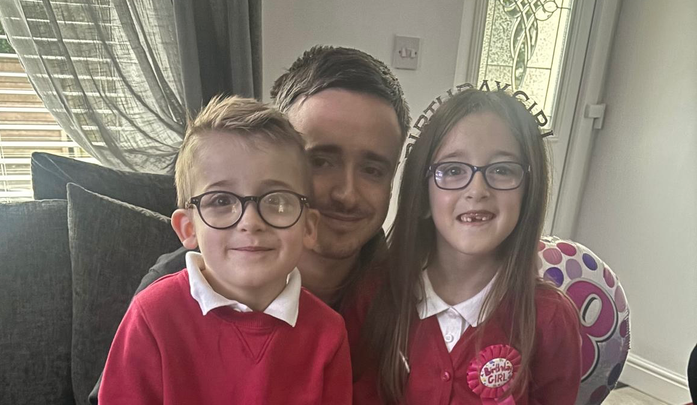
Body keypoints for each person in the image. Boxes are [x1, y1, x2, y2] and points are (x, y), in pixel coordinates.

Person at [89, 45, 410, 403]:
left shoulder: (404, 298)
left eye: (373, 169)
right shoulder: (167, 294)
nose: (346, 194)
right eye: (320, 161)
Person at [98, 96, 351, 404]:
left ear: (308, 228)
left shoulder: (328, 332)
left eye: (276, 200)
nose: (251, 222)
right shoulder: (152, 316)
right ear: (188, 228)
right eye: (221, 201)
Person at [353, 88, 582, 404]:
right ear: (423, 195)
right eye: (453, 170)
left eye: (501, 170)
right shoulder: (374, 293)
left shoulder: (551, 318)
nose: (477, 189)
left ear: (527, 193)